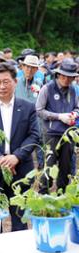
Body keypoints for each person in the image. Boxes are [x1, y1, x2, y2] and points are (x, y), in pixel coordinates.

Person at [0, 62, 39, 231]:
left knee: (19, 217)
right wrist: (1, 159)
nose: (2, 86)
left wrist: (16, 157)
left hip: (21, 170)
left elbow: (34, 135)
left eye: (6, 81)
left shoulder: (28, 107)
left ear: (15, 82)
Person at [36, 58, 79, 194]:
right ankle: (43, 195)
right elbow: (39, 110)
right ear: (59, 74)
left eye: (70, 77)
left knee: (66, 166)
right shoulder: (47, 88)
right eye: (65, 76)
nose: (67, 80)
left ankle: (62, 194)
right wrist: (59, 116)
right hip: (51, 133)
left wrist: (74, 114)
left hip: (68, 134)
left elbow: (78, 107)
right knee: (49, 166)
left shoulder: (73, 90)